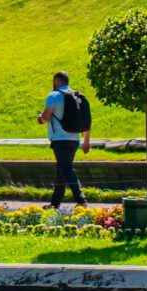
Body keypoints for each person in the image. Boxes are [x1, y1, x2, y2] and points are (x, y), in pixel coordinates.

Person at [38, 70, 89, 208]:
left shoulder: (54, 95)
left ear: (56, 81)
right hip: (74, 139)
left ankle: (81, 200)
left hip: (60, 139)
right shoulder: (77, 96)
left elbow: (46, 117)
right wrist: (86, 141)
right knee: (62, 170)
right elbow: (86, 120)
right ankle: (55, 204)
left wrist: (40, 119)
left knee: (66, 168)